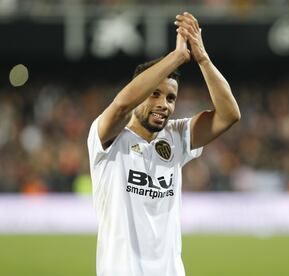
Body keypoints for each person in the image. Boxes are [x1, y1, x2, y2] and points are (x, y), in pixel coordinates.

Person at [87, 12, 240, 276]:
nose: (163, 105)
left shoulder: (175, 136)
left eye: (170, 98)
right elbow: (122, 104)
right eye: (154, 94)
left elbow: (229, 115)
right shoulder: (107, 137)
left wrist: (201, 57)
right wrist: (177, 57)